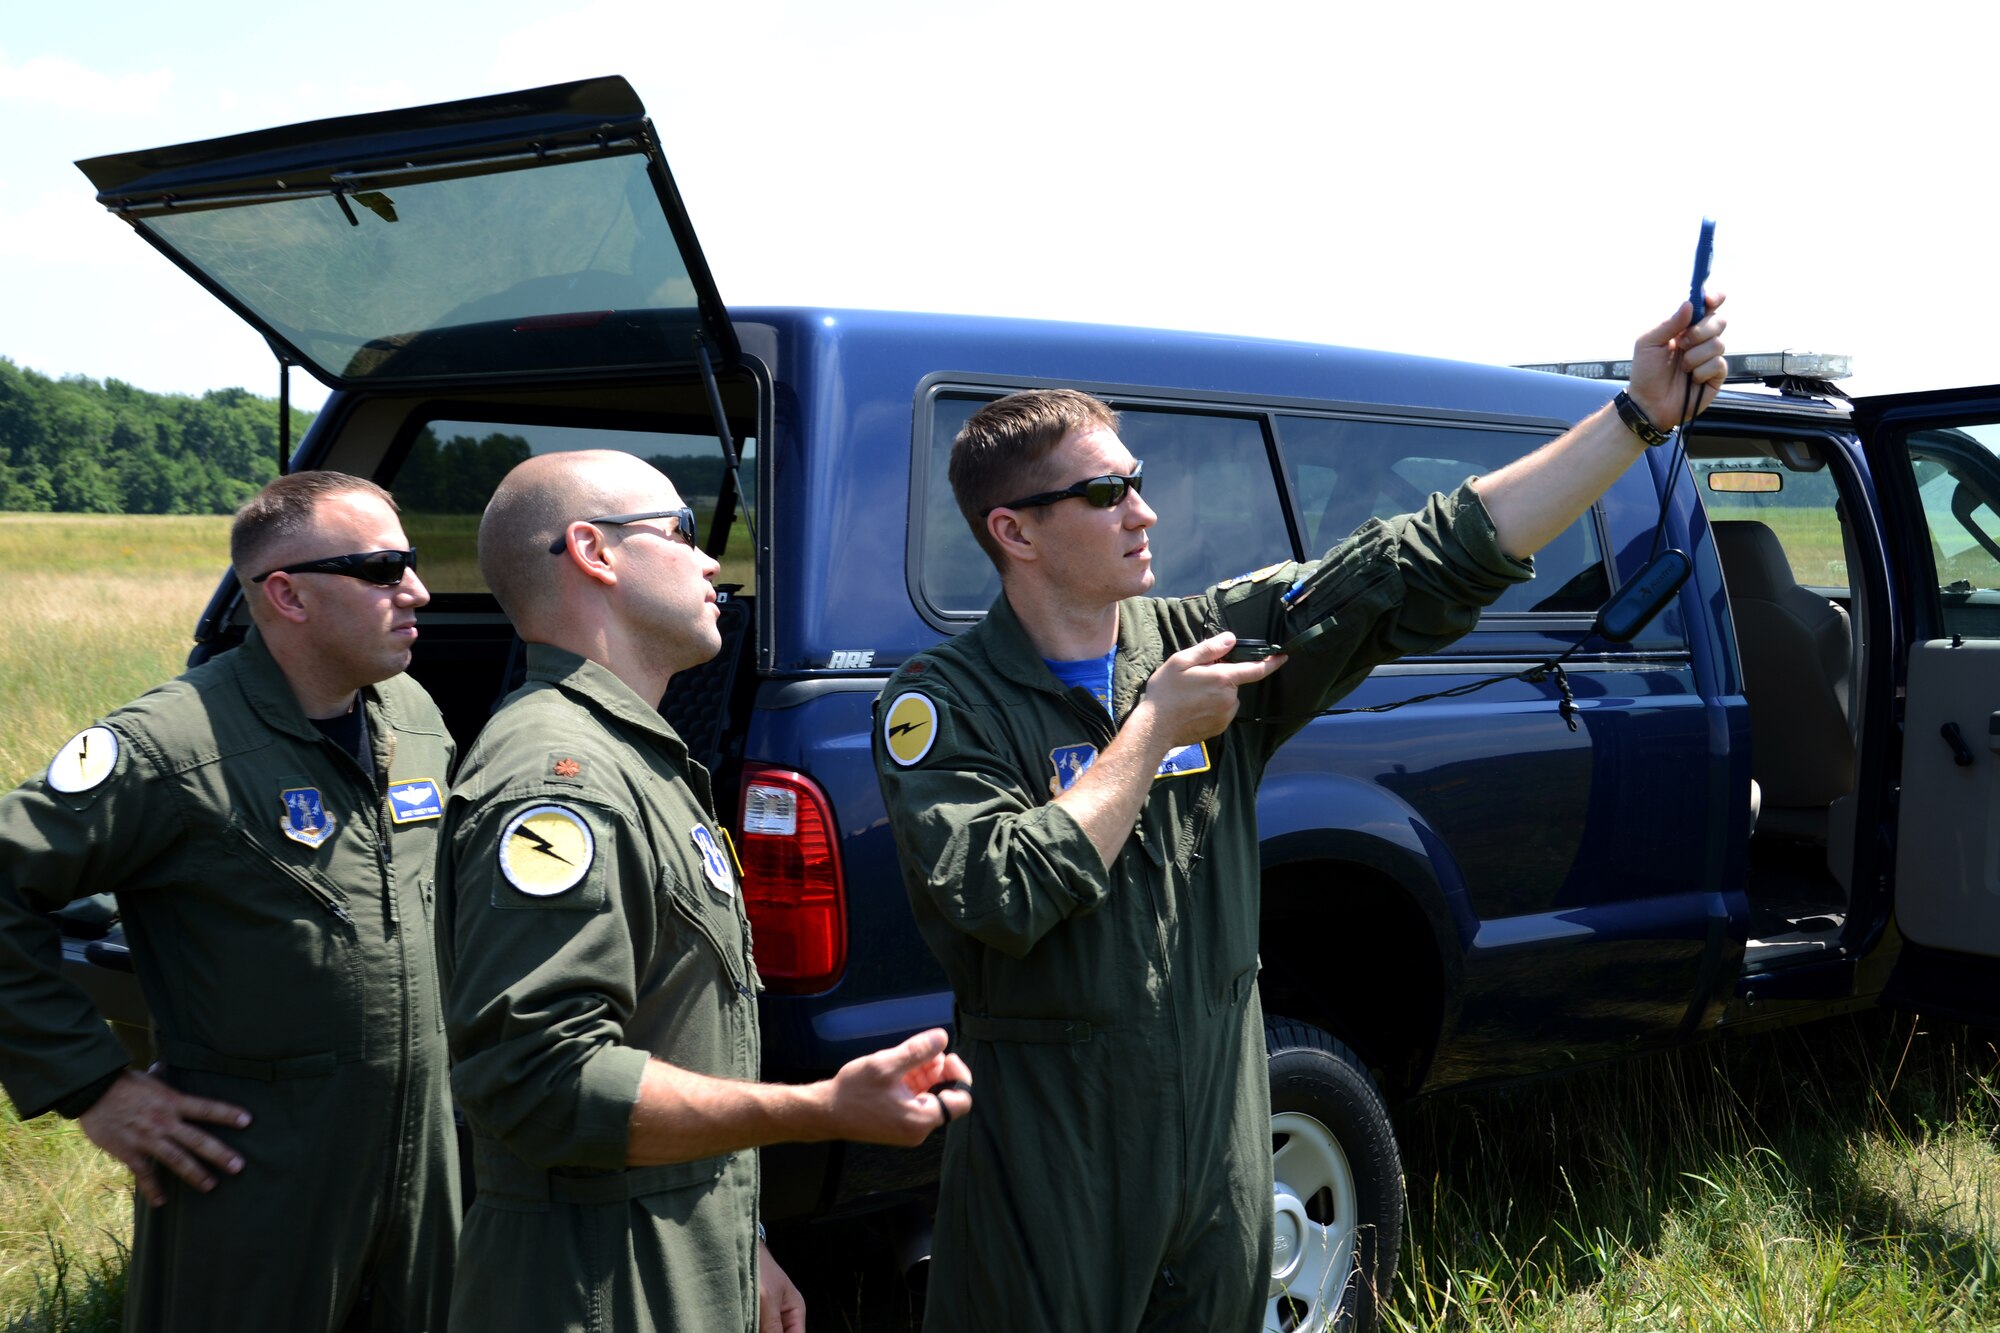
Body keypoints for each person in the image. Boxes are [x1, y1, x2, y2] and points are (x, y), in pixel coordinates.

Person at [873, 300, 1729, 1332]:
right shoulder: (944, 704)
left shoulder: (1202, 640)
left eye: (1136, 482)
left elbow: (1415, 560)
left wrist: (1634, 417)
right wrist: (1149, 732)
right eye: (1104, 493)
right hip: (1053, 1147)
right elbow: (1001, 895)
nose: (1142, 510)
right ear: (1012, 530)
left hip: (1219, 1131)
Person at [439, 449, 974, 1333]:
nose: (710, 560)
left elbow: (673, 1034)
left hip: (675, 1252)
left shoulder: (635, 758)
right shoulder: (558, 778)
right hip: (596, 1284)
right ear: (594, 552)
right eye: (681, 531)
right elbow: (544, 1080)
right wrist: (821, 1109)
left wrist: (744, 1239)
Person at [0, 471, 459, 1331]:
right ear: (286, 593)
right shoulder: (172, 747)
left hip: (422, 1160)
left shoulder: (416, 717)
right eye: (382, 567)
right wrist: (95, 1086)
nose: (417, 589)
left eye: (411, 562)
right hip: (253, 1165)